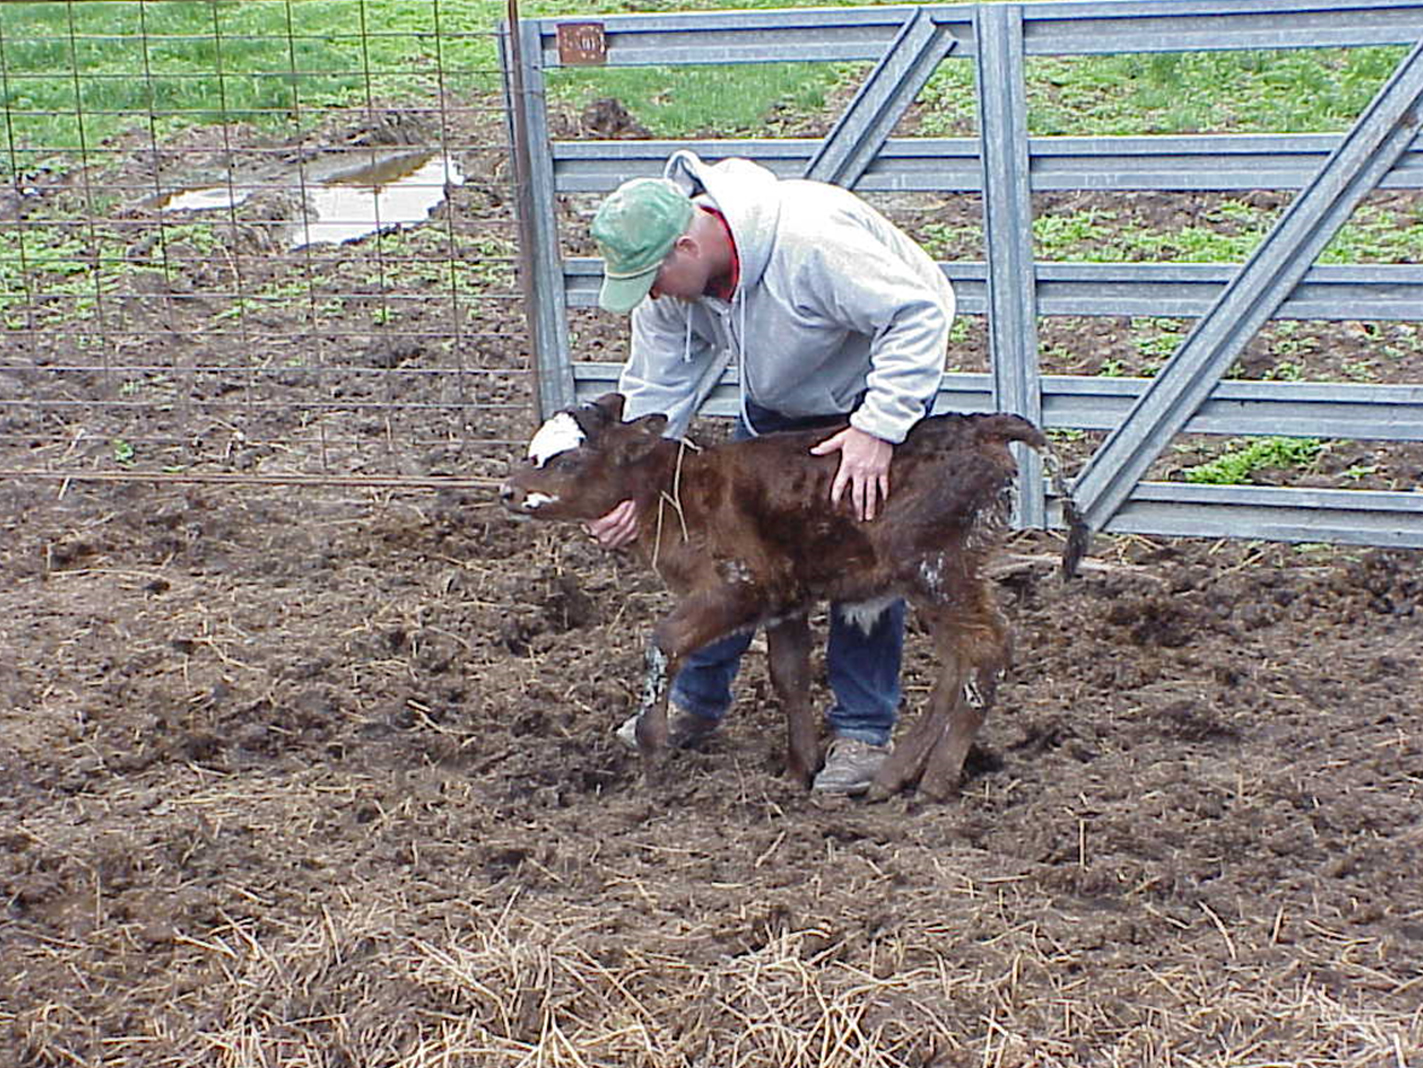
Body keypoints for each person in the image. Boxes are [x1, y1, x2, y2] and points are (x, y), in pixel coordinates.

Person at [586, 149, 955, 795]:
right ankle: (697, 703)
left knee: (858, 555)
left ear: (684, 246)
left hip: (865, 398)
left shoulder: (811, 243)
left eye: (651, 277)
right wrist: (638, 487)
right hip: (777, 406)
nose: (650, 294)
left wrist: (878, 428)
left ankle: (862, 733)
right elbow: (656, 384)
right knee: (729, 550)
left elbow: (916, 312)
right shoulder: (673, 290)